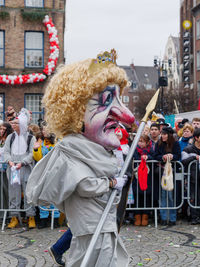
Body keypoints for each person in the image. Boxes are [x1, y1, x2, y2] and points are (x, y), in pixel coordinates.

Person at [26, 51, 135, 266]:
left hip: (102, 226)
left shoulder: (94, 151)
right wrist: (112, 183)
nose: (127, 116)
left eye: (119, 100)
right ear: (75, 113)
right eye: (105, 101)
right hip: (90, 227)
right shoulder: (71, 153)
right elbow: (84, 185)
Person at [4, 111, 36, 229]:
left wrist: (22, 163)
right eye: (13, 123)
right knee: (13, 193)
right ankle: (14, 217)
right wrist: (10, 161)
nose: (13, 125)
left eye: (16, 123)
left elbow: (32, 153)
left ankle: (30, 216)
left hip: (25, 168)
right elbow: (6, 151)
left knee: (28, 193)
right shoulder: (10, 137)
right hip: (12, 169)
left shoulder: (30, 138)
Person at [32, 123, 59, 229]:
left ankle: (55, 218)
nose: (44, 131)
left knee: (54, 196)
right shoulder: (40, 142)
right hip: (42, 172)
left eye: (47, 129)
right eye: (43, 130)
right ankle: (43, 218)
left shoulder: (57, 142)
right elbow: (38, 158)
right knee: (42, 195)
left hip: (55, 172)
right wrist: (35, 149)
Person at [153, 126, 181, 226]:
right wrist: (163, 157)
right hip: (161, 171)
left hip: (172, 171)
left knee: (171, 195)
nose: (162, 136)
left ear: (169, 135)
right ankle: (164, 217)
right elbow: (155, 155)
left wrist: (172, 156)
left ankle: (172, 217)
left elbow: (178, 156)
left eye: (164, 134)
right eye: (162, 134)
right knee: (163, 195)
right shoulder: (158, 143)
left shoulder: (175, 143)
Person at [132, 134, 154, 227]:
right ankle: (137, 216)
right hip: (137, 176)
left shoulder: (150, 150)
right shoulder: (134, 150)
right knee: (137, 195)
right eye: (139, 141)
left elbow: (154, 157)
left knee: (146, 195)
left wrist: (148, 157)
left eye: (142, 141)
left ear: (147, 142)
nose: (140, 143)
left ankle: (145, 216)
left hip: (147, 176)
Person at [0, 122, 13, 217]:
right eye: (0, 129)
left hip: (6, 168)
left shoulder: (9, 141)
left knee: (6, 191)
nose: (1, 131)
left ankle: (8, 213)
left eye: (3, 130)